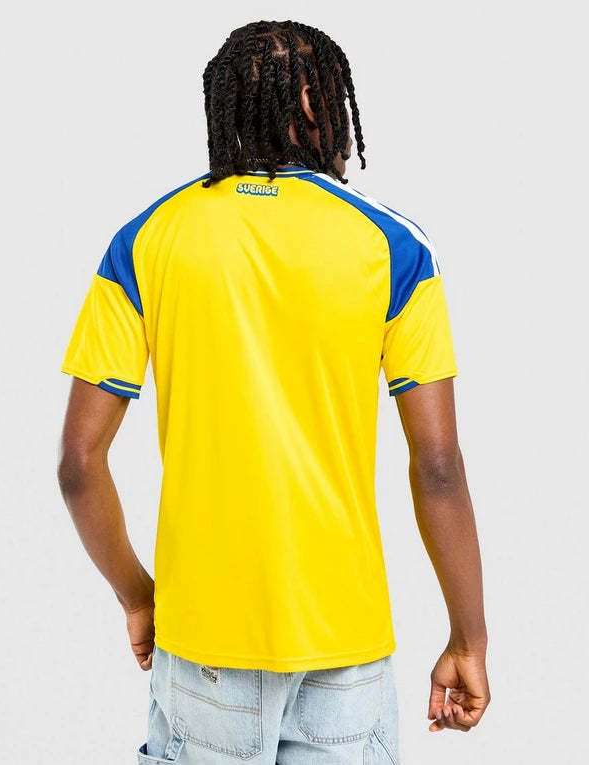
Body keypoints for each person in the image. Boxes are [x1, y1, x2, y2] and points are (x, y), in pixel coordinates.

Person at [57, 19, 490, 764]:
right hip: (343, 645)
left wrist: (139, 596)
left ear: (226, 108)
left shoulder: (148, 237)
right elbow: (440, 464)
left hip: (201, 644)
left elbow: (77, 464)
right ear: (328, 110)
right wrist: (467, 639)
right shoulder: (393, 245)